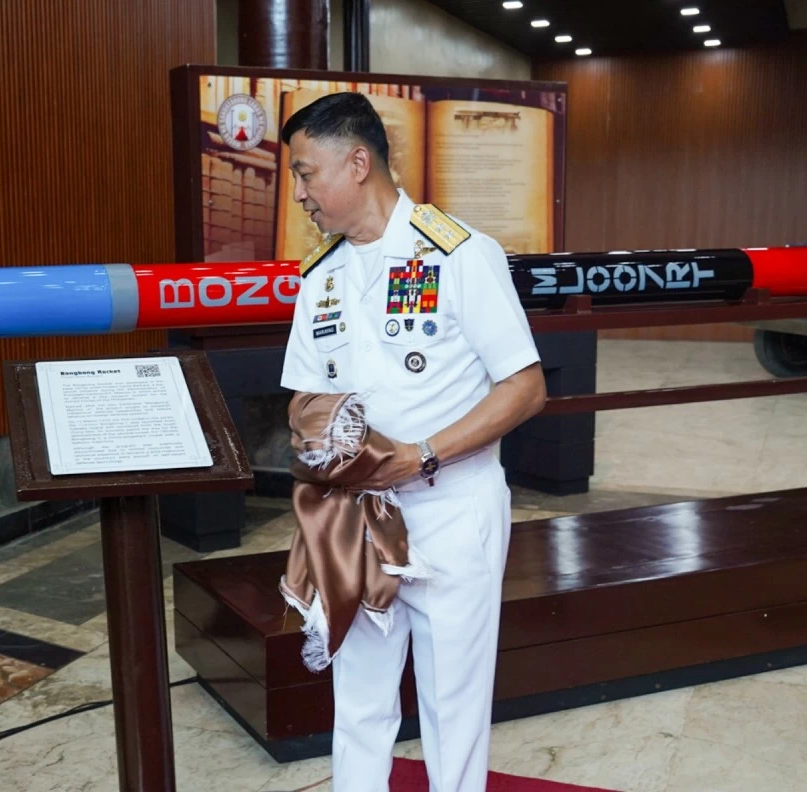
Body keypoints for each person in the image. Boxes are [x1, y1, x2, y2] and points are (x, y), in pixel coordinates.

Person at [278, 92, 547, 792]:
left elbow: (525, 387)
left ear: (357, 162)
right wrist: (321, 452)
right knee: (360, 699)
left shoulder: (459, 253)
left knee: (452, 704)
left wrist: (420, 452)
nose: (299, 192)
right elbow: (305, 397)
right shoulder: (322, 276)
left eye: (307, 173)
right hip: (358, 521)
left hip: (451, 507)